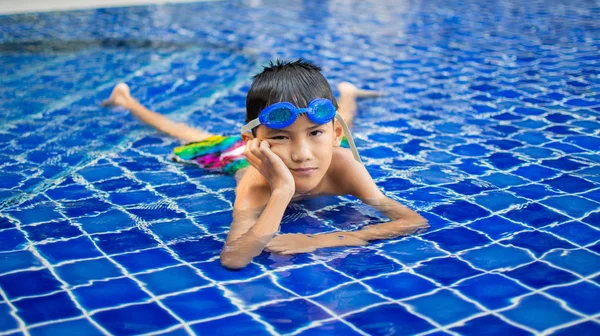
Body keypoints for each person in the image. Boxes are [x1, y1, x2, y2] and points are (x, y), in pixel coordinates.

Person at [102, 59, 428, 269]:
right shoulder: (254, 183)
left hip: (332, 147)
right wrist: (282, 191)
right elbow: (233, 258)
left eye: (315, 132)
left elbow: (411, 220)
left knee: (347, 121)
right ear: (254, 142)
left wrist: (319, 240)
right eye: (281, 137)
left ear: (331, 133)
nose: (302, 154)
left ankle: (349, 94)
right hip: (238, 159)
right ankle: (127, 100)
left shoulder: (343, 164)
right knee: (186, 135)